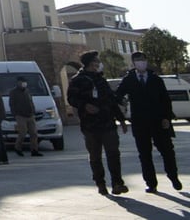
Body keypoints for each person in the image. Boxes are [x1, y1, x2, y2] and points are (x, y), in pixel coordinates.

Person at [113, 51, 182, 193]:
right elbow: (118, 95)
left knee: (167, 151)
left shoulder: (155, 79)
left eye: (143, 59)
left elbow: (165, 100)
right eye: (138, 60)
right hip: (140, 122)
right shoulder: (129, 79)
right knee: (144, 154)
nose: (141, 62)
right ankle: (151, 183)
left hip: (158, 120)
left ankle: (173, 177)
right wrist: (122, 101)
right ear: (133, 63)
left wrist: (166, 118)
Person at [67, 50, 130, 195]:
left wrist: (121, 119)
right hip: (90, 126)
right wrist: (84, 106)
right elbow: (71, 99)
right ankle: (100, 183)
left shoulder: (101, 80)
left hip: (108, 123)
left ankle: (117, 183)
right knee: (95, 156)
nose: (98, 64)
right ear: (89, 63)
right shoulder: (77, 80)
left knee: (113, 153)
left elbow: (111, 100)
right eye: (96, 61)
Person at [9, 76, 42, 157]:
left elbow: (31, 101)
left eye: (24, 82)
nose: (23, 83)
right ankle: (18, 148)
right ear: (18, 82)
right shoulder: (13, 92)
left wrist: (33, 111)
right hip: (20, 115)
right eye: (22, 82)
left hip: (30, 115)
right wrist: (15, 114)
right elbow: (11, 104)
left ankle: (34, 150)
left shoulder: (27, 91)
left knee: (34, 133)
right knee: (23, 133)